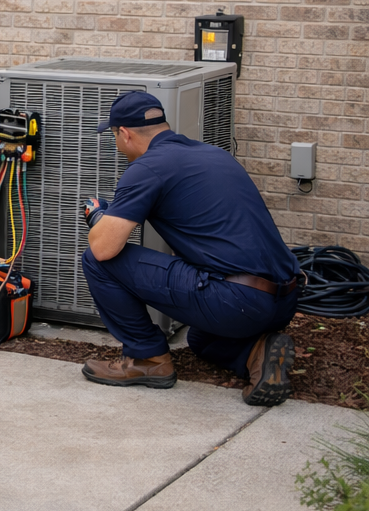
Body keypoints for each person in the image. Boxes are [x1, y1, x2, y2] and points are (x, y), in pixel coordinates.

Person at [80, 92, 301, 406]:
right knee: (200, 338)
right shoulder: (214, 154)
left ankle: (147, 360)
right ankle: (257, 352)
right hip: (283, 300)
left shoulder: (146, 168)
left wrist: (99, 217)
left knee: (96, 261)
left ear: (124, 134)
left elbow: (103, 248)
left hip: (236, 300)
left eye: (115, 136)